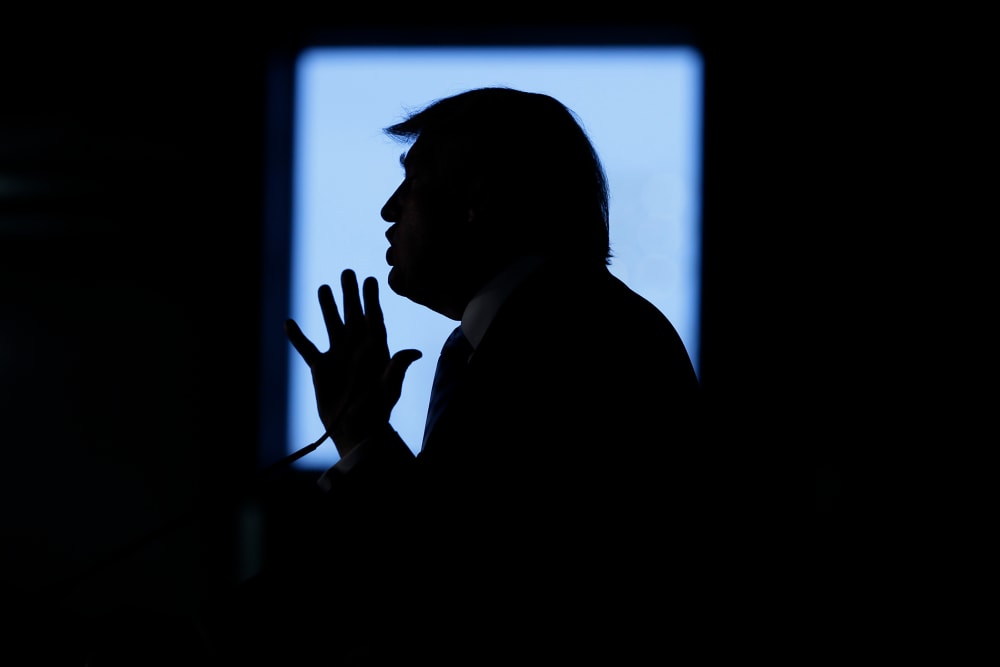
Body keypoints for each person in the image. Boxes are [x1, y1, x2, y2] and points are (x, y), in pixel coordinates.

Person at [207, 86, 708, 665]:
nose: (390, 209)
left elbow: (447, 582)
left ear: (478, 197)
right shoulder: (555, 323)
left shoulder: (567, 341)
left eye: (413, 180)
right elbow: (452, 536)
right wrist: (363, 434)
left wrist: (202, 645)